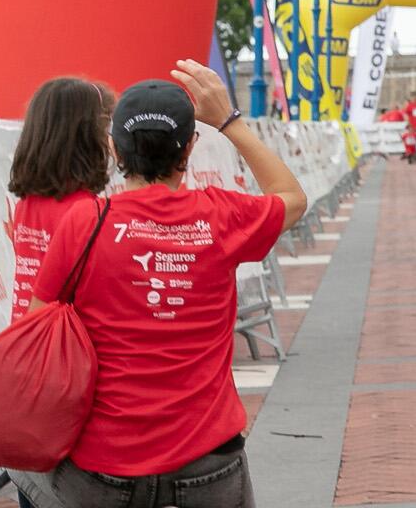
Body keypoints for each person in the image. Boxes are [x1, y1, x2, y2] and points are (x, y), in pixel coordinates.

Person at [22, 60, 307, 508]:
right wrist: (230, 123)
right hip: (208, 463)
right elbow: (292, 198)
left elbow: (35, 329)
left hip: (104, 465)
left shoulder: (84, 222)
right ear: (189, 148)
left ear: (115, 149)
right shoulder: (222, 216)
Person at [6, 77, 114, 322]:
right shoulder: (87, 212)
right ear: (91, 138)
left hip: (27, 334)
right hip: (65, 345)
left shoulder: (26, 205)